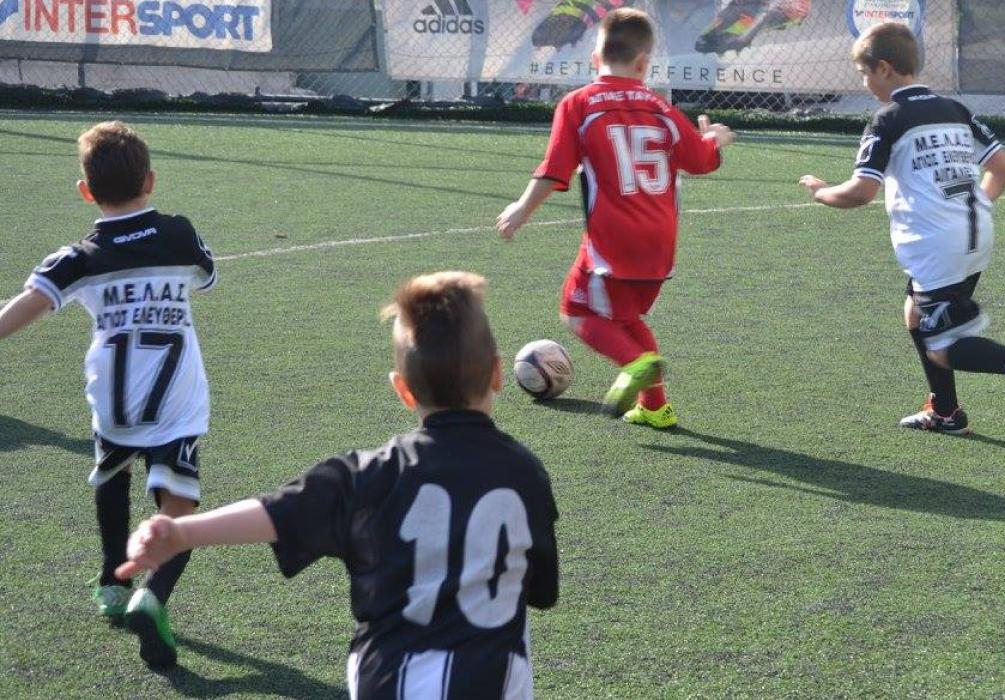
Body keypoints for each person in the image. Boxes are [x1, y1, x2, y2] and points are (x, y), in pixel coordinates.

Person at [118, 271, 561, 698]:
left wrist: (182, 532)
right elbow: (539, 591)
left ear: (403, 390)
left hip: (387, 679)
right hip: (489, 679)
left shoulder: (369, 475)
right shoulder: (525, 473)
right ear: (497, 373)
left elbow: (275, 512)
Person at [0, 121, 215, 666]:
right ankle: (152, 594)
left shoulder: (78, 257)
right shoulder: (179, 235)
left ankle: (112, 582)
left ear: (85, 191)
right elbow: (206, 275)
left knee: (112, 474)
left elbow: (26, 305)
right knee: (178, 508)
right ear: (151, 180)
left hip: (113, 405)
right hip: (176, 406)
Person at [798, 22, 1005, 434]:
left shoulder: (888, 119)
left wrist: (821, 192)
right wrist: (972, 206)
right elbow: (1002, 167)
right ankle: (946, 412)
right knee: (916, 313)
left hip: (938, 246)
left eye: (864, 74)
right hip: (975, 235)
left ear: (884, 69)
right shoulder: (954, 110)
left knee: (942, 347)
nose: (864, 83)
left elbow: (861, 192)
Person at [498, 7, 735, 430]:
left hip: (613, 238)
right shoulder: (661, 107)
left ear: (594, 59)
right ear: (644, 64)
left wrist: (521, 208)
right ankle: (655, 407)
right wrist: (714, 139)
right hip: (660, 241)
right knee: (625, 319)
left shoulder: (578, 104)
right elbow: (700, 161)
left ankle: (634, 363)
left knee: (576, 311)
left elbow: (554, 170)